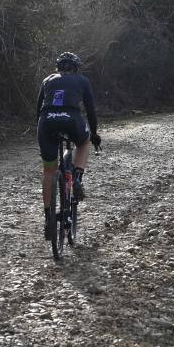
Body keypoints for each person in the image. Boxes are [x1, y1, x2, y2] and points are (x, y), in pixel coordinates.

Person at [36, 52, 101, 239]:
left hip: (46, 122)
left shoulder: (47, 79)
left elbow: (38, 109)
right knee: (83, 142)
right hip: (72, 120)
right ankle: (78, 177)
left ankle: (48, 219)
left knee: (48, 172)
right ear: (76, 68)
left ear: (58, 68)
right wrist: (95, 134)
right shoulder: (82, 80)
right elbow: (90, 110)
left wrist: (41, 133)